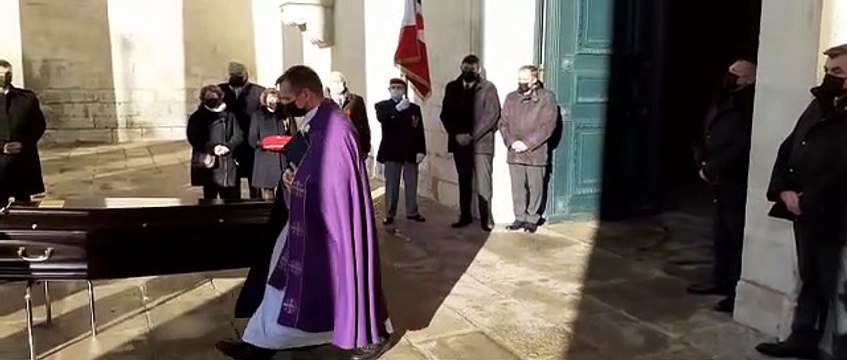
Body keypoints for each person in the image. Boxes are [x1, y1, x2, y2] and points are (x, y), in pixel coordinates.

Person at [216, 65, 390, 360]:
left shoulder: (335, 128)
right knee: (279, 277)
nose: (283, 105)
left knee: (335, 283)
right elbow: (304, 163)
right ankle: (259, 342)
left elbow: (335, 182)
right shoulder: (316, 120)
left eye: (287, 99)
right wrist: (291, 176)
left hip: (327, 225)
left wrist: (298, 183)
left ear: (305, 94)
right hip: (306, 218)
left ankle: (369, 333)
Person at [755, 44, 847, 359]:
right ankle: (802, 339)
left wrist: (808, 198)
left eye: (837, 71)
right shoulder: (819, 104)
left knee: (839, 288)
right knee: (810, 279)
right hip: (805, 212)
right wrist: (784, 189)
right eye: (827, 70)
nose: (828, 76)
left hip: (835, 214)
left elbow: (841, 167)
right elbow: (790, 146)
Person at [686, 59, 756, 314]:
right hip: (716, 173)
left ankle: (735, 289)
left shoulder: (748, 104)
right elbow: (707, 131)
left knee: (736, 234)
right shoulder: (724, 98)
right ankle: (721, 279)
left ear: (749, 79)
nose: (730, 76)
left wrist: (715, 167)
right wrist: (702, 159)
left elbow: (742, 142)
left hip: (734, 177)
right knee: (721, 233)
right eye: (730, 71)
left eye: (737, 73)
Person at [439, 55, 501, 231]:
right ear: (461, 67)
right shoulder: (452, 88)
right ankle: (464, 216)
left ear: (478, 69)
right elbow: (445, 115)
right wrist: (456, 135)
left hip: (481, 145)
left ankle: (485, 219)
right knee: (464, 180)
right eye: (465, 67)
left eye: (472, 68)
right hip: (460, 145)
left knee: (483, 183)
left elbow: (492, 115)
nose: (468, 71)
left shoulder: (488, 88)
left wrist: (472, 135)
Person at [500, 65, 558, 234]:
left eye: (525, 79)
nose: (522, 82)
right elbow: (503, 123)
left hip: (535, 151)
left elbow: (548, 125)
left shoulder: (547, 98)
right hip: (514, 151)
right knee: (517, 186)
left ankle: (532, 218)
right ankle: (519, 216)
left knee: (535, 186)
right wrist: (511, 142)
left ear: (535, 79)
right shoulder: (511, 98)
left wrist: (528, 143)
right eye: (520, 79)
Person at [375, 78, 426, 225]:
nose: (396, 90)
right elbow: (383, 119)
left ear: (404, 90)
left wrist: (421, 150)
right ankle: (390, 213)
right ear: (389, 89)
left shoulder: (414, 108)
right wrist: (397, 110)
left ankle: (412, 212)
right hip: (392, 151)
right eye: (393, 87)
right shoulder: (382, 106)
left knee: (411, 183)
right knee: (392, 184)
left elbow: (419, 130)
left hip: (410, 151)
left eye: (399, 87)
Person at [0, 59, 46, 207]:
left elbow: (38, 125)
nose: (4, 77)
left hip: (22, 160)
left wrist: (24, 143)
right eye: (0, 74)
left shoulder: (26, 98)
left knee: (23, 203)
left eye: (7, 74)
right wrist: (2, 147)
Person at [186, 85, 244, 200]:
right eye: (208, 97)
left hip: (227, 163)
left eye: (214, 96)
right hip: (209, 163)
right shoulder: (197, 117)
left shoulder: (230, 116)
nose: (212, 99)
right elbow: (194, 138)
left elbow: (238, 135)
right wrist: (212, 148)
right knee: (209, 199)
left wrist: (228, 146)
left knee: (230, 199)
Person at [219, 61, 266, 199]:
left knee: (255, 183)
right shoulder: (220, 91)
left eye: (239, 74)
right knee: (231, 183)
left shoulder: (259, 91)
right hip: (231, 143)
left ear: (246, 73)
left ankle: (257, 209)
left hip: (251, 144)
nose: (237, 77)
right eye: (233, 74)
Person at [248, 89, 297, 200]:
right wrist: (264, 144)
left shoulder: (286, 115)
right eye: (270, 98)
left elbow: (294, 136)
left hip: (283, 160)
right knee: (268, 197)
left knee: (286, 195)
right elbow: (252, 138)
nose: (274, 100)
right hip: (266, 161)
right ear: (265, 100)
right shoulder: (258, 116)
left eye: (276, 98)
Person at [326, 71, 371, 161]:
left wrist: (365, 148)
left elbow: (363, 125)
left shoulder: (355, 101)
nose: (337, 84)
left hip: (351, 146)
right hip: (329, 148)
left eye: (339, 81)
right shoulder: (323, 102)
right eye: (333, 82)